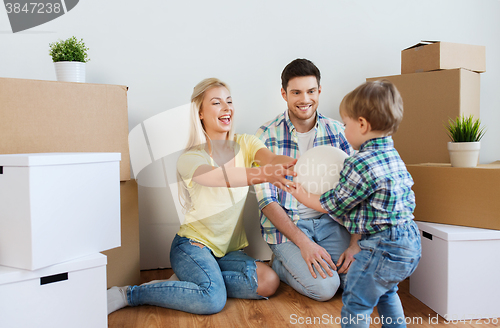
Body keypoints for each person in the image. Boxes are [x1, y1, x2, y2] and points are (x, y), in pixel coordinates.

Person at [108, 78, 297, 315]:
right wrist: (263, 173)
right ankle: (129, 294)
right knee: (212, 300)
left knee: (268, 282)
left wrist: (294, 165)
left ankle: (188, 285)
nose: (227, 108)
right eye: (217, 103)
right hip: (193, 246)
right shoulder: (190, 157)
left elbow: (270, 159)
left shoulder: (246, 143)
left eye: (229, 101)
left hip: (229, 251)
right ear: (200, 113)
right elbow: (218, 177)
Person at [287, 80, 422, 327]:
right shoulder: (393, 155)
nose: (344, 130)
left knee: (357, 303)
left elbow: (336, 204)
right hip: (410, 242)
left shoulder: (359, 163)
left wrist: (302, 195)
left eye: (346, 124)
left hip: (382, 246)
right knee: (387, 292)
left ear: (361, 124)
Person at [254, 58, 358, 302]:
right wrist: (303, 244)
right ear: (284, 94)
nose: (305, 99)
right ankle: (281, 265)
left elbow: (358, 194)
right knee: (325, 289)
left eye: (311, 91)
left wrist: (356, 245)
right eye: (296, 92)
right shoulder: (265, 135)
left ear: (319, 91)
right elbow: (266, 201)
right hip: (290, 228)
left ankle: (304, 263)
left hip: (332, 222)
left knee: (357, 282)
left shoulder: (339, 132)